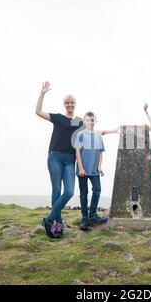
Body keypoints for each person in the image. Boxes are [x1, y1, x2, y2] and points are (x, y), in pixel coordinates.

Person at [35, 81, 83, 238]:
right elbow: (38, 111)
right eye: (67, 103)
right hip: (55, 156)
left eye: (72, 103)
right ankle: (57, 225)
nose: (70, 105)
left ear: (75, 104)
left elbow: (91, 132)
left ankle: (48, 220)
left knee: (69, 191)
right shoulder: (58, 117)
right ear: (64, 104)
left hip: (70, 159)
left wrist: (110, 132)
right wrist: (42, 93)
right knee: (56, 190)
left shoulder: (79, 122)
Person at [75, 112, 115, 230]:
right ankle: (84, 218)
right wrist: (81, 168)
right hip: (82, 170)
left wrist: (99, 166)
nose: (90, 122)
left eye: (92, 120)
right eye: (88, 120)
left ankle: (92, 215)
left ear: (95, 121)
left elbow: (100, 152)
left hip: (94, 170)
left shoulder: (98, 136)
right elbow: (77, 152)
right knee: (83, 194)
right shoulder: (80, 135)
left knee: (97, 190)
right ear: (84, 121)